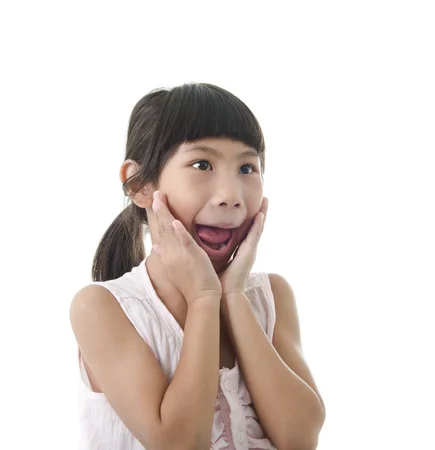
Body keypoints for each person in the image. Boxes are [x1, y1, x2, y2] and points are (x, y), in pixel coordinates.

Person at [69, 83, 326, 450]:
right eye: (201, 164)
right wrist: (205, 297)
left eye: (247, 167)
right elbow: (180, 444)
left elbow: (300, 439)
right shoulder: (101, 308)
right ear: (139, 184)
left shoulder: (271, 297)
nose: (231, 196)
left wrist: (233, 296)